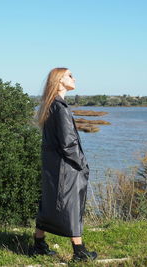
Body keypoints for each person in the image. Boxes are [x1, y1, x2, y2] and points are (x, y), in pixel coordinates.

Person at [33, 67, 98, 261]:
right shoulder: (59, 108)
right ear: (59, 81)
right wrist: (82, 163)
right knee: (72, 205)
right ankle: (79, 252)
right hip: (66, 167)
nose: (74, 78)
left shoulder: (50, 105)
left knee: (50, 203)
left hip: (54, 165)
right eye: (70, 75)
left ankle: (38, 244)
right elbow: (68, 143)